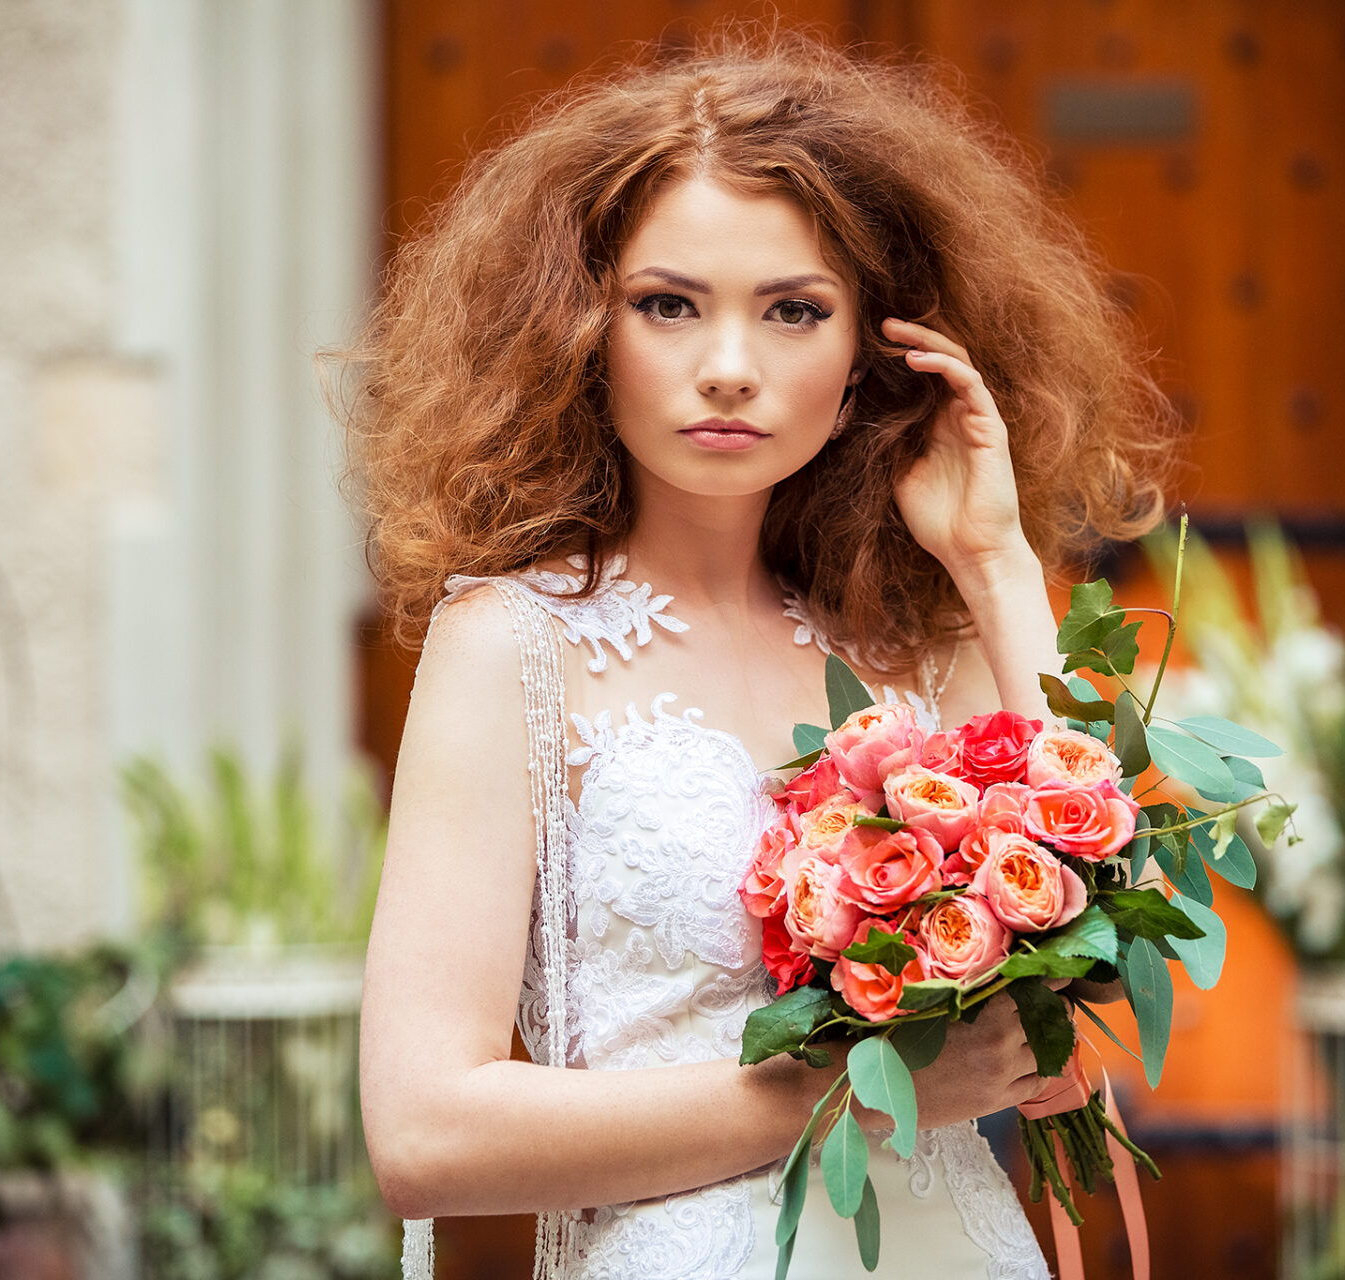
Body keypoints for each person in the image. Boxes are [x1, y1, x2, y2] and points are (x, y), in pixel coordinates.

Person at [346, 25, 1175, 1280]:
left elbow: (1111, 952)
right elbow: (422, 1130)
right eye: (668, 305)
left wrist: (999, 567)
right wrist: (857, 1084)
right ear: (581, 328)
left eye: (794, 311)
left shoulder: (917, 637)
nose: (728, 368)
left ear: (866, 354)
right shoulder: (508, 644)